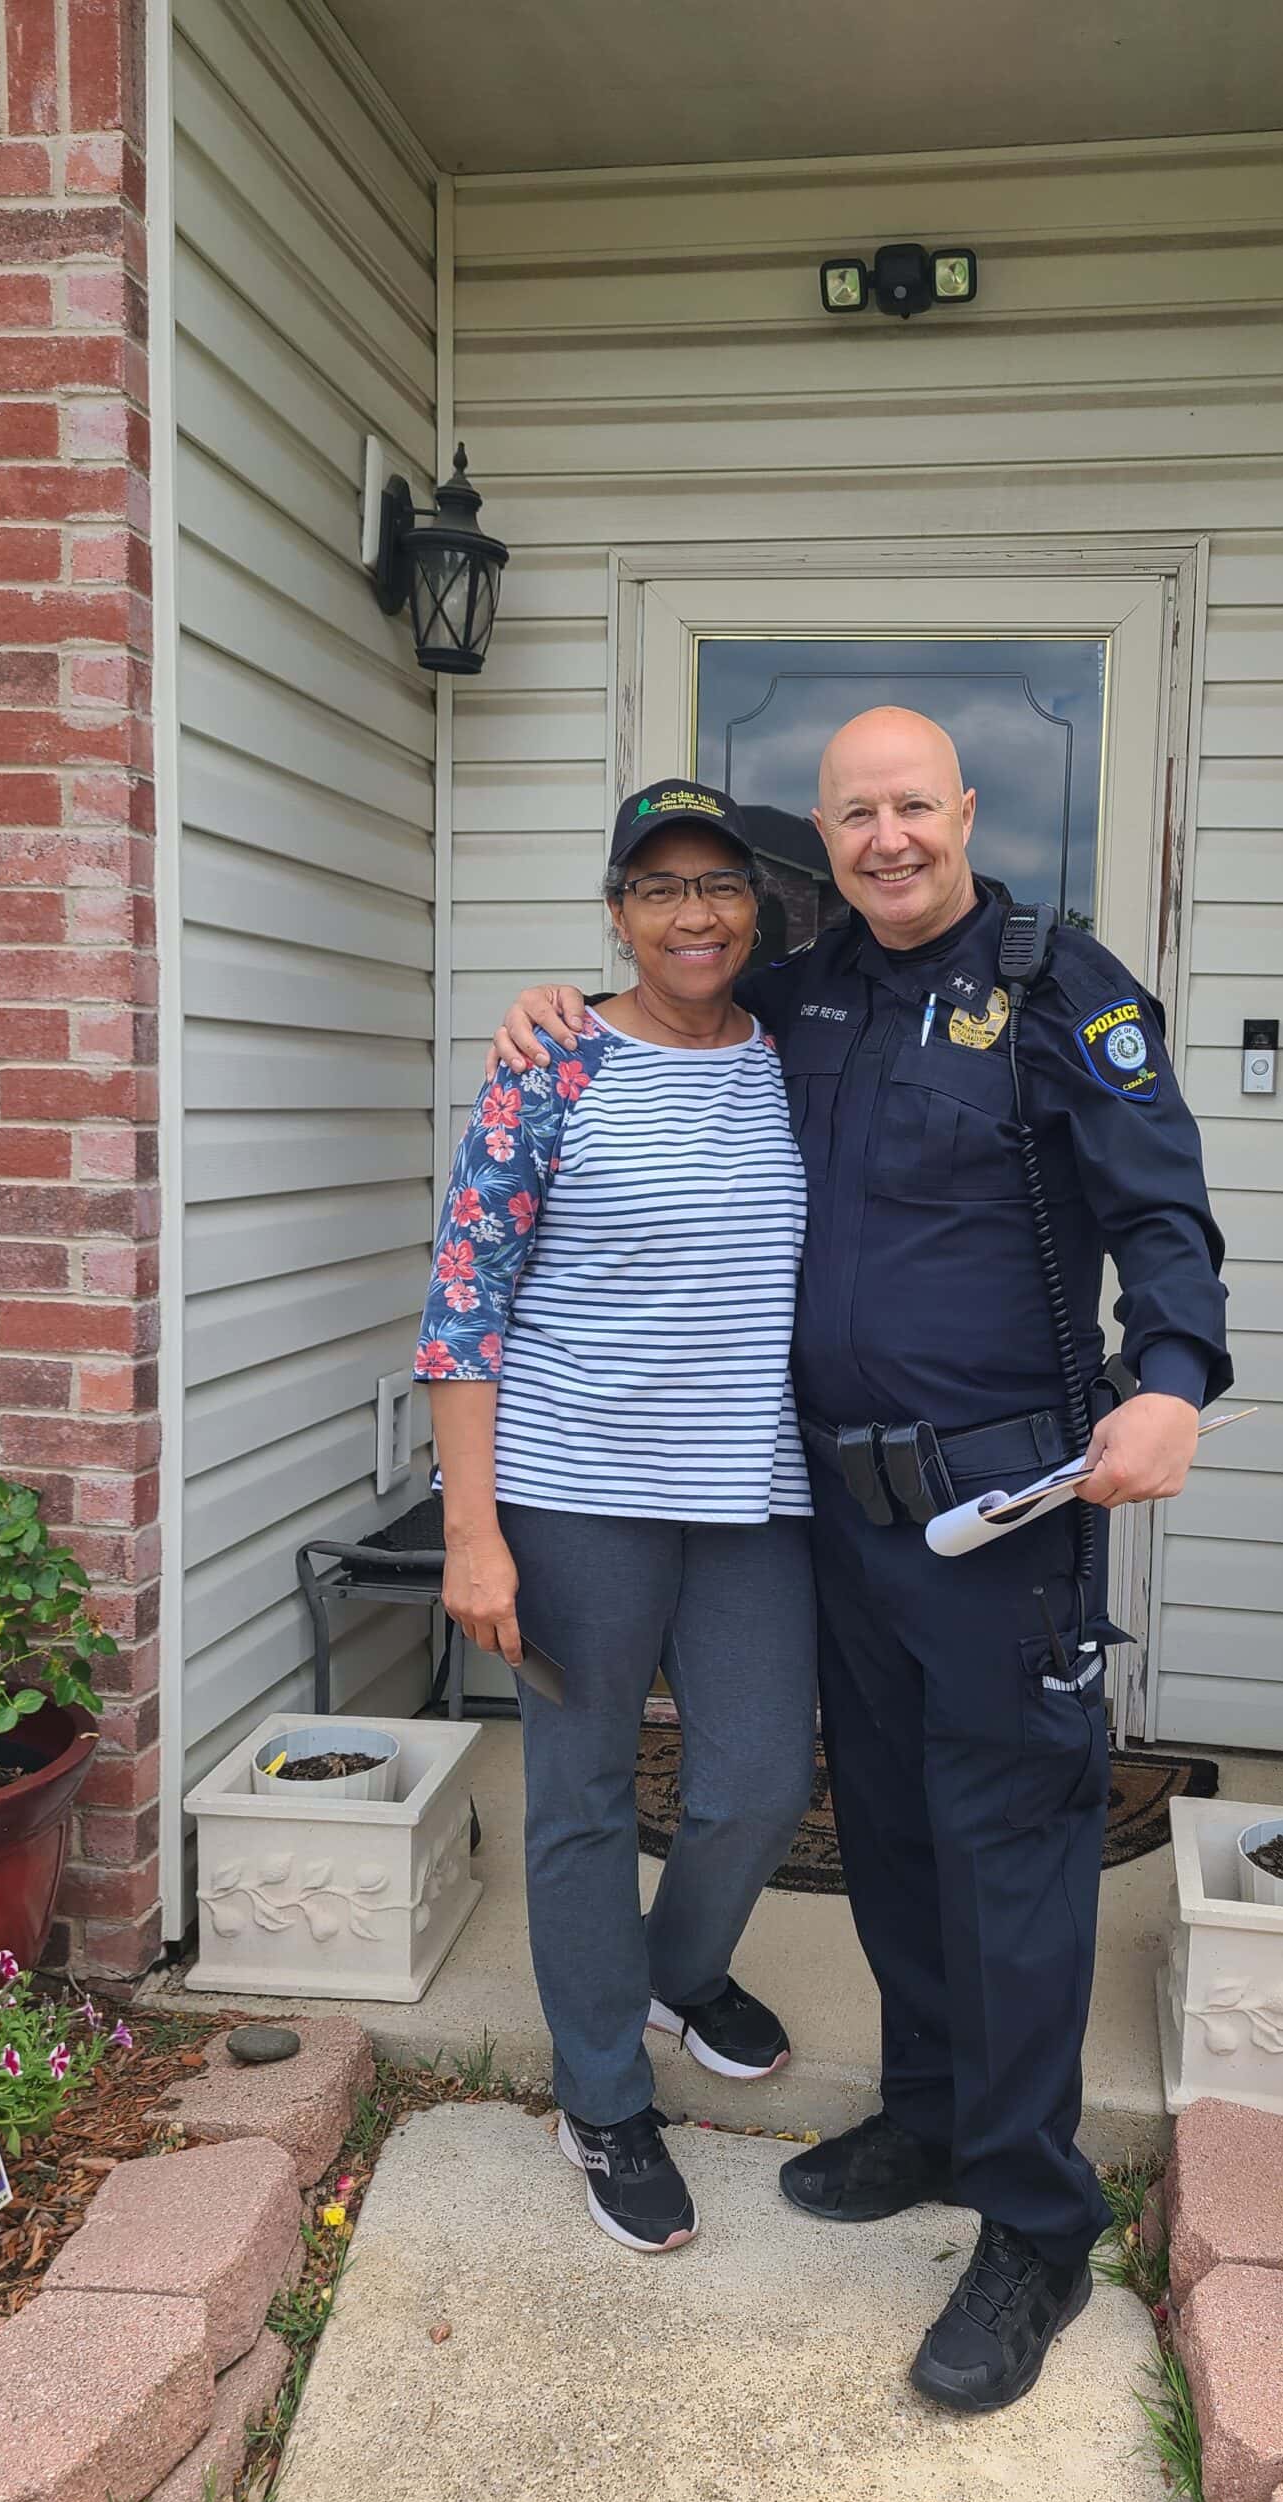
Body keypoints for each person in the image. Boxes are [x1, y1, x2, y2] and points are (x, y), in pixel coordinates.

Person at [494, 709, 1228, 2408]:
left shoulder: (1065, 986)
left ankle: (1037, 2226)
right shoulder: (808, 992)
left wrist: (1177, 1374)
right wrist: (544, 1012)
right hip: (827, 1511)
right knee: (887, 1827)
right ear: (817, 845)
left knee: (1014, 1853)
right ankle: (928, 2112)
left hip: (1001, 1516)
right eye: (854, 816)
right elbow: (660, 1007)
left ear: (964, 810)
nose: (888, 837)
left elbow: (1159, 1204)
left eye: (914, 805)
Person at [415, 778, 817, 2256]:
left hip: (755, 1488)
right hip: (573, 1487)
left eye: (718, 883)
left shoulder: (795, 1058)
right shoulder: (553, 1065)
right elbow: (465, 1308)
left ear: (757, 908)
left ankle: (674, 1969)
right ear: (617, 913)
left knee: (763, 1777)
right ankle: (603, 2093)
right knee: (581, 1795)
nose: (693, 912)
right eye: (658, 887)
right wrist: (475, 1534)